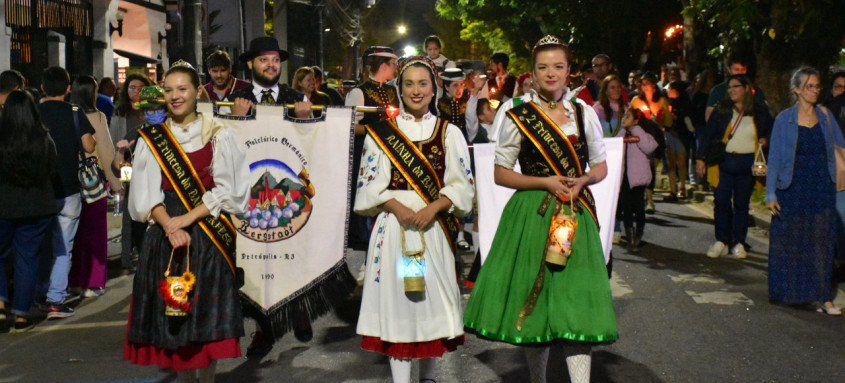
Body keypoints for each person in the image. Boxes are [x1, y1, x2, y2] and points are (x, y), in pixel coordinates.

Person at [464, 35, 618, 383]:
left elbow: (600, 166)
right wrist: (545, 181)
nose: (551, 73)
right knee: (534, 305)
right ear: (531, 73)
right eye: (543, 67)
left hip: (575, 213)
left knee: (576, 303)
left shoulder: (584, 113)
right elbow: (501, 173)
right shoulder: (517, 114)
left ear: (569, 72)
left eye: (558, 67)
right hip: (532, 214)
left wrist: (583, 180)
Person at [123, 61, 250, 380]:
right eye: (168, 90)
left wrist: (185, 220)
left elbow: (229, 191)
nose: (175, 96)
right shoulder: (152, 138)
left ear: (198, 92)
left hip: (207, 237)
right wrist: (169, 224)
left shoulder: (219, 134)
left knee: (207, 324)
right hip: (166, 239)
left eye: (182, 89)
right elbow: (145, 195)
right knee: (174, 326)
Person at [354, 55, 474, 383]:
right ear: (399, 89)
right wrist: (398, 207)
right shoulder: (381, 134)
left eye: (423, 83)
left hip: (432, 230)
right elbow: (368, 186)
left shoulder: (449, 133)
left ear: (434, 89)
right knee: (400, 305)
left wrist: (432, 209)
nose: (416, 90)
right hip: (395, 229)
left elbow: (461, 186)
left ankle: (429, 378)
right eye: (409, 84)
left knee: (429, 303)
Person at [766, 67, 844, 315]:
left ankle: (823, 297)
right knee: (792, 242)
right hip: (792, 187)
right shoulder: (783, 119)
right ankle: (793, 294)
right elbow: (775, 158)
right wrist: (770, 194)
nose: (815, 90)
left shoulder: (825, 116)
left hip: (822, 186)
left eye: (817, 86)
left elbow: (840, 146)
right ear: (797, 89)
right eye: (809, 86)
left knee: (822, 243)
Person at [38, 66, 96, 319]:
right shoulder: (74, 111)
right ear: (68, 89)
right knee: (63, 248)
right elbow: (89, 146)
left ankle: (37, 295)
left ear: (42, 88)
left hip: (39, 190)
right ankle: (55, 300)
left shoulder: (34, 111)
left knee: (38, 246)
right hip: (69, 188)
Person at [697, 74, 772, 259]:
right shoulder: (722, 109)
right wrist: (700, 159)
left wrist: (765, 140)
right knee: (721, 202)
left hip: (747, 164)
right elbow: (708, 135)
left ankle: (738, 242)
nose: (731, 90)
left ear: (746, 88)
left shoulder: (760, 110)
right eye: (729, 87)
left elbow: (770, 131)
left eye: (735, 86)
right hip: (724, 162)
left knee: (741, 205)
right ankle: (722, 240)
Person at [0, 90, 57, 332]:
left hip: (3, 207)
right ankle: (21, 315)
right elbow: (52, 170)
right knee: (27, 260)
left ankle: (1, 304)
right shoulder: (43, 138)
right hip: (36, 208)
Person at [67, 75, 122, 298]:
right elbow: (106, 153)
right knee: (95, 233)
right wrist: (117, 185)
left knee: (74, 234)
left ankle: (74, 281)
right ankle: (92, 282)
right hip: (93, 183)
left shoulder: (65, 114)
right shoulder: (97, 117)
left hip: (69, 183)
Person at [345, 46, 400, 253]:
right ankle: (361, 248)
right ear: (384, 65)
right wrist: (377, 130)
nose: (395, 68)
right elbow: (350, 127)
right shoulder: (358, 92)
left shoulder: (392, 90)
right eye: (393, 64)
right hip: (365, 153)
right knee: (365, 195)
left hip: (390, 152)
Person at [226, 37, 311, 119]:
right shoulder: (230, 103)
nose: (271, 64)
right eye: (264, 60)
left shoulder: (300, 99)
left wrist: (303, 121)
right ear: (250, 64)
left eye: (276, 60)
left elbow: (315, 133)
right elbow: (219, 133)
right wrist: (236, 119)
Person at [618, 108, 659, 253]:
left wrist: (637, 131)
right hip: (624, 179)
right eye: (624, 116)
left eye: (628, 116)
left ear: (636, 121)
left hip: (638, 179)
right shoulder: (621, 134)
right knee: (627, 210)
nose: (624, 118)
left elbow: (650, 147)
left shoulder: (642, 134)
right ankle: (630, 239)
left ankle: (638, 234)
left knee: (639, 209)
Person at [631, 73, 671, 213]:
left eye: (647, 83)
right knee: (643, 167)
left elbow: (668, 120)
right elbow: (631, 117)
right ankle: (644, 198)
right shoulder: (636, 101)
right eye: (642, 84)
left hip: (656, 137)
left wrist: (659, 120)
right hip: (641, 137)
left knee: (652, 168)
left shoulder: (661, 100)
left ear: (654, 85)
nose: (644, 87)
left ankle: (650, 199)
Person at [705, 54, 766, 122]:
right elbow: (709, 118)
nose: (740, 73)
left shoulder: (756, 90)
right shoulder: (718, 91)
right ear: (729, 69)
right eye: (736, 69)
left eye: (743, 69)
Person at [665, 80, 694, 200]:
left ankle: (682, 187)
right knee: (671, 163)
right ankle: (673, 189)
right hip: (669, 133)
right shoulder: (667, 102)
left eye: (670, 89)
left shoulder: (685, 103)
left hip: (681, 135)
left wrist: (677, 116)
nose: (668, 91)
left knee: (681, 163)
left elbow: (689, 117)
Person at [111, 74, 153, 151]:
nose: (137, 91)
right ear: (127, 90)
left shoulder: (153, 112)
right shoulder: (119, 112)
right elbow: (113, 138)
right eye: (133, 87)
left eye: (141, 88)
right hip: (126, 155)